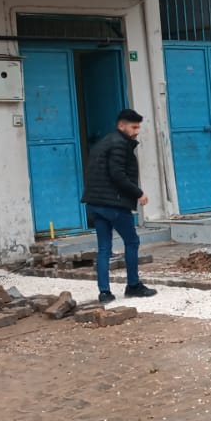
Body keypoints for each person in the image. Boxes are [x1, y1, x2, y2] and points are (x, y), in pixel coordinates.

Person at [82, 108, 158, 304]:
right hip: (113, 204)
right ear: (121, 126)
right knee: (132, 242)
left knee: (104, 248)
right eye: (133, 127)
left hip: (95, 203)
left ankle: (104, 293)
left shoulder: (103, 143)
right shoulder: (119, 144)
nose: (136, 131)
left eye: (138, 127)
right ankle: (133, 285)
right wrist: (138, 193)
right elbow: (117, 175)